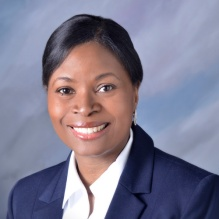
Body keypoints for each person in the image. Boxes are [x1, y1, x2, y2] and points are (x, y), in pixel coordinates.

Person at [7, 14, 219, 219]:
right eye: (65, 90)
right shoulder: (24, 198)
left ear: (134, 93)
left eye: (105, 87)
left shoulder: (194, 194)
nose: (85, 107)